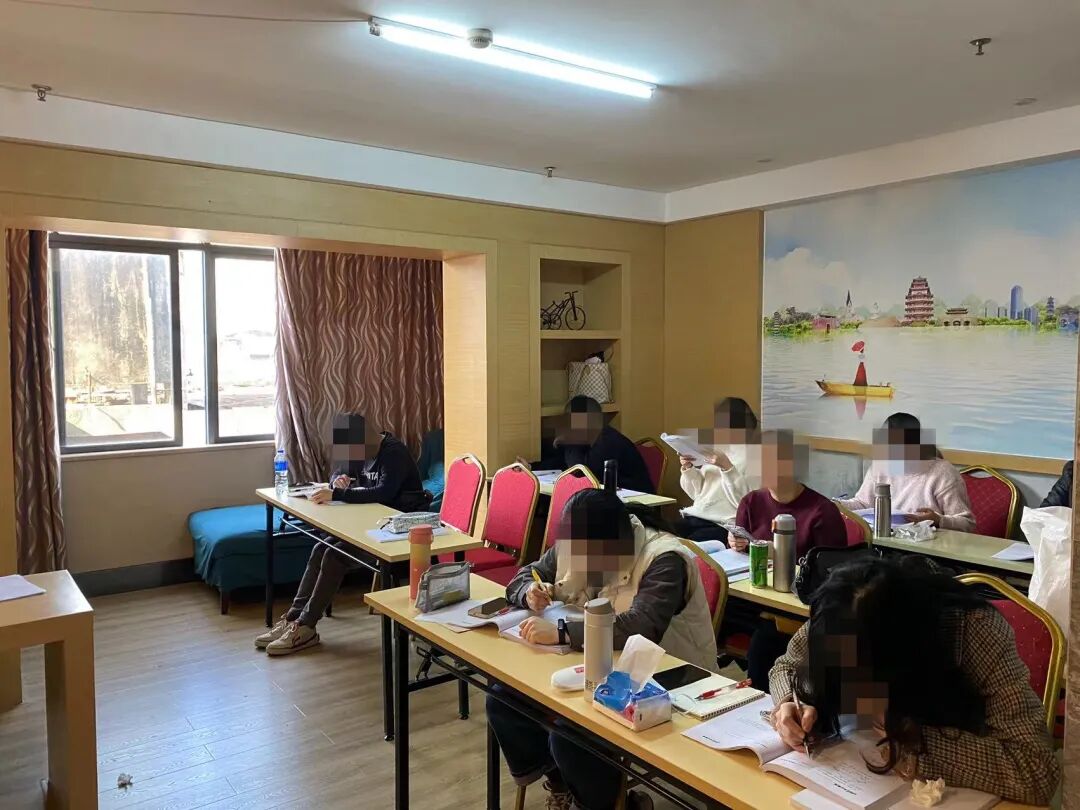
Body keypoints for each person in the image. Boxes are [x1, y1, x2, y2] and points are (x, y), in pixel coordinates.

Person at [486, 490, 717, 810]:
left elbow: (640, 626)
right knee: (503, 698)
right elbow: (525, 575)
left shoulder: (664, 559)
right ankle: (564, 783)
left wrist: (561, 632)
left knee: (571, 736)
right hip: (599, 668)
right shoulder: (579, 542)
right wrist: (529, 591)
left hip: (667, 682)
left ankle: (607, 803)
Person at [768, 557, 1060, 806]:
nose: (855, 695)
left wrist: (914, 743)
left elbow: (1037, 771)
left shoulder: (975, 631)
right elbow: (787, 665)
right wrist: (789, 702)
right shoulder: (842, 609)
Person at [255, 414, 430, 656]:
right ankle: (294, 618)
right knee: (321, 548)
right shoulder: (360, 450)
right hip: (372, 526)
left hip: (399, 532)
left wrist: (338, 494)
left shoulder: (394, 453)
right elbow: (336, 475)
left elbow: (384, 493)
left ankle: (306, 626)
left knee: (334, 556)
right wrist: (337, 481)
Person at [733, 429, 847, 688]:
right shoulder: (750, 502)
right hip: (752, 595)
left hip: (795, 604)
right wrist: (737, 543)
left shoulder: (822, 511)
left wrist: (776, 552)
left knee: (764, 640)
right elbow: (743, 548)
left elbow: (830, 572)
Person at [837, 412, 975, 532]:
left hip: (926, 547)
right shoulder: (880, 466)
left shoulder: (943, 473)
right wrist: (835, 505)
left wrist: (938, 520)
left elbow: (967, 523)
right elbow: (863, 504)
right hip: (885, 541)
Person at [519, 395, 655, 494]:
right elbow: (562, 463)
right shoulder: (588, 439)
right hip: (610, 501)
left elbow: (579, 472)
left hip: (637, 507)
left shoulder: (609, 441)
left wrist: (570, 442)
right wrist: (531, 467)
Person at [675, 397, 761, 544]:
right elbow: (697, 495)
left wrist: (727, 468)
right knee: (660, 536)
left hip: (723, 525)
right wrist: (688, 468)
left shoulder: (756, 456)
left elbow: (746, 505)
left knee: (682, 547)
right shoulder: (719, 448)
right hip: (696, 516)